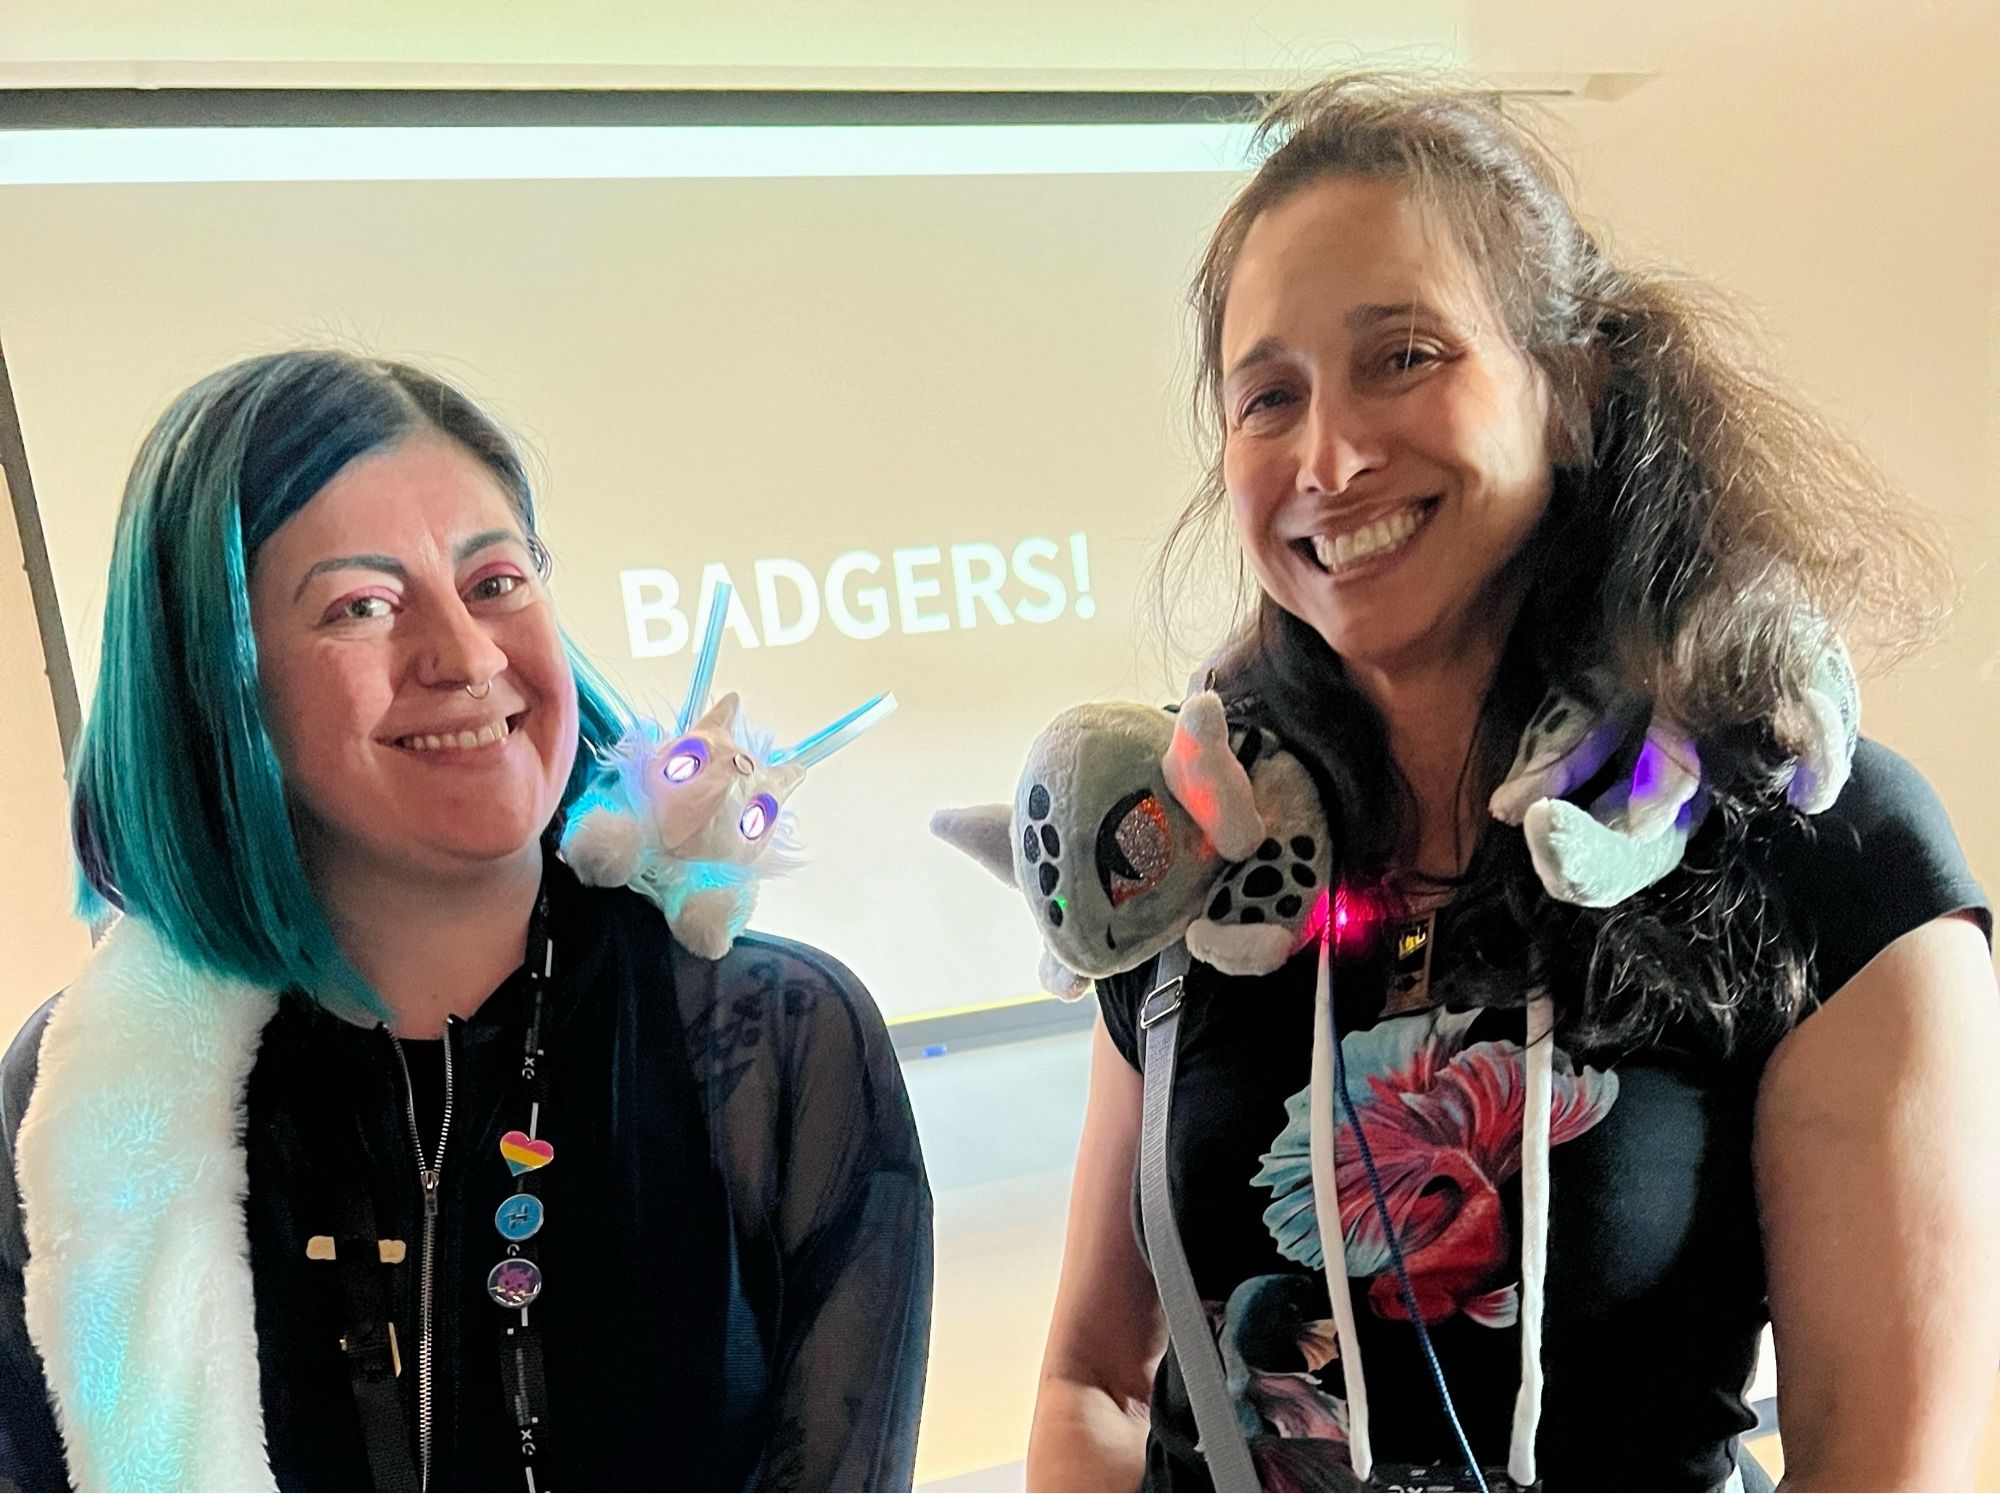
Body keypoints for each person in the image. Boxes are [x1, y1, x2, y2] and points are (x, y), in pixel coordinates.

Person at [1027, 74, 2000, 1492]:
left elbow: (1879, 1465)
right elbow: (1088, 1380)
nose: (1332, 456)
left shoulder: (1822, 846)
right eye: (1269, 397)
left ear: (1573, 388)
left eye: (1405, 355)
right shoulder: (1194, 860)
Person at [0, 351, 932, 1491]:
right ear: (219, 681)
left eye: (494, 581)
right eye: (362, 606)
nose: (467, 655)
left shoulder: (779, 1041)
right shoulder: (86, 1107)